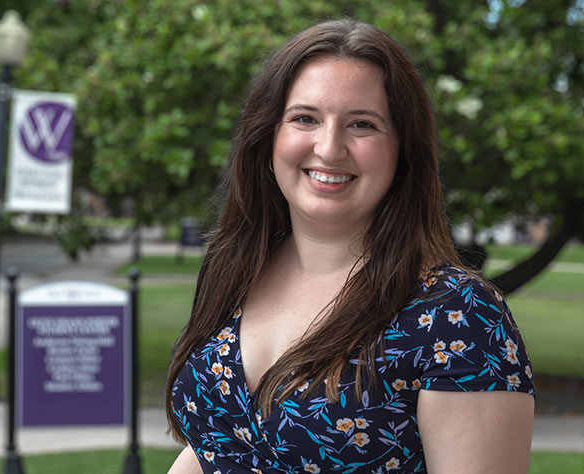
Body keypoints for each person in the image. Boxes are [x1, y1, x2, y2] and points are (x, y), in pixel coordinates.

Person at [165, 19, 535, 474]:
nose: (329, 146)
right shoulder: (238, 270)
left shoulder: (457, 316)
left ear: (403, 151)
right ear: (268, 136)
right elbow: (215, 447)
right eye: (305, 118)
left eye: (362, 124)